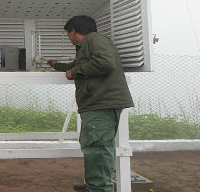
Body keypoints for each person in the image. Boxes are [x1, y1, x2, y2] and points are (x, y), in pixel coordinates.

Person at [47, 16, 134, 192]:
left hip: (100, 103)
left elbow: (105, 63)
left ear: (73, 31)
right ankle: (96, 185)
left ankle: (99, 188)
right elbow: (77, 65)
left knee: (97, 147)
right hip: (101, 103)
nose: (68, 37)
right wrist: (58, 66)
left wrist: (76, 71)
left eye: (68, 33)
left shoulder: (95, 39)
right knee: (100, 146)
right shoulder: (88, 46)